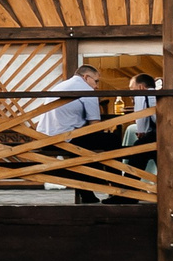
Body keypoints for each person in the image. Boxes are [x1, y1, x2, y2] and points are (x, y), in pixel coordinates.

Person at [34, 62, 115, 202]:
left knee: (83, 151)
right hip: (65, 139)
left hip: (44, 139)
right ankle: (119, 189)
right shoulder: (86, 90)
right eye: (96, 81)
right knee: (112, 141)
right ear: (86, 77)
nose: (96, 86)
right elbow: (94, 125)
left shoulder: (60, 85)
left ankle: (88, 195)